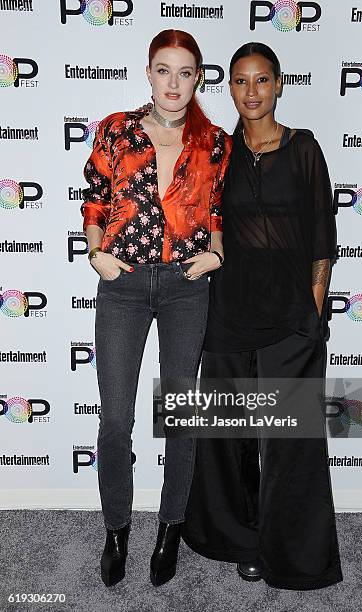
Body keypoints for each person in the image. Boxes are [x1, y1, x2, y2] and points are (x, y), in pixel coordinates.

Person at [181, 42, 343, 590]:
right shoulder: (217, 152)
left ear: (279, 85)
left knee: (290, 440)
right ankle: (238, 539)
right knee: (228, 432)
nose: (251, 92)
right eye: (240, 82)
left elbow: (323, 233)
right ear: (227, 87)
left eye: (262, 81)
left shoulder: (303, 149)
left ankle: (293, 555)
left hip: (290, 315)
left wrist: (314, 308)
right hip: (227, 311)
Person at [80, 29, 231, 588]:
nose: (173, 82)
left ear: (198, 78)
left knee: (180, 417)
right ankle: (116, 529)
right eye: (163, 70)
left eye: (185, 72)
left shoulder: (214, 141)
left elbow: (218, 211)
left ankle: (170, 527)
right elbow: (94, 196)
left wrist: (215, 253)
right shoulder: (116, 130)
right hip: (123, 284)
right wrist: (97, 252)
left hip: (187, 287)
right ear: (148, 73)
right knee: (116, 419)